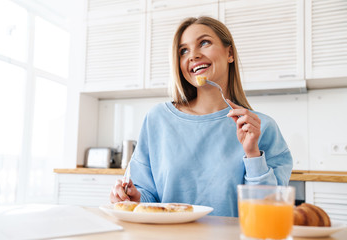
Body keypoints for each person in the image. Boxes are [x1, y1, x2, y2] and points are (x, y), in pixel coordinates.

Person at [110, 16, 293, 217]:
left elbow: (267, 214)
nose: (193, 55)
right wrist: (134, 198)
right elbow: (147, 197)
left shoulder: (262, 128)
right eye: (183, 51)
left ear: (229, 53)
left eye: (204, 43)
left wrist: (252, 154)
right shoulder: (158, 119)